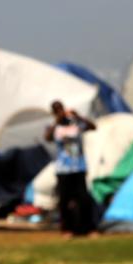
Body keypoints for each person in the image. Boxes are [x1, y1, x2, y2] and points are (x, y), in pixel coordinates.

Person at [44, 100, 97, 237]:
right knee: (64, 200)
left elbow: (92, 126)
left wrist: (78, 116)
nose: (59, 112)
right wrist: (57, 121)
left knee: (84, 198)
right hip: (63, 168)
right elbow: (47, 138)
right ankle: (67, 229)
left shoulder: (75, 122)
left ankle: (88, 228)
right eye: (56, 110)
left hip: (79, 166)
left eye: (60, 108)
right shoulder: (53, 126)